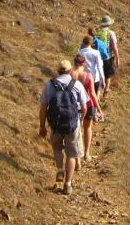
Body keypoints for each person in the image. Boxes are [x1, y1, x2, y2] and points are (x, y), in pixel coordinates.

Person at [38, 60, 88, 195]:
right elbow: (84, 107)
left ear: (58, 70)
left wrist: (42, 125)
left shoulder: (50, 85)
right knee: (72, 154)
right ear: (69, 70)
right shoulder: (76, 84)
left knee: (57, 148)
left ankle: (60, 170)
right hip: (72, 123)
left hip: (56, 123)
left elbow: (43, 108)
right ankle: (68, 184)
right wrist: (80, 121)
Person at [72, 55, 103, 165]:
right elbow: (93, 95)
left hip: (74, 105)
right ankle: (86, 152)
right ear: (84, 64)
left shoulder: (71, 75)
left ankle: (77, 158)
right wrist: (99, 109)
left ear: (74, 63)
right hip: (88, 104)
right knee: (87, 128)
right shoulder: (88, 76)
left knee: (76, 131)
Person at [98, 15, 121, 95]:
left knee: (99, 74)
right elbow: (114, 47)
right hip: (108, 57)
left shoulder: (98, 32)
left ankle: (98, 90)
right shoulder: (111, 33)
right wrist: (117, 58)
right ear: (109, 24)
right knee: (108, 75)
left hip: (97, 57)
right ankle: (106, 90)